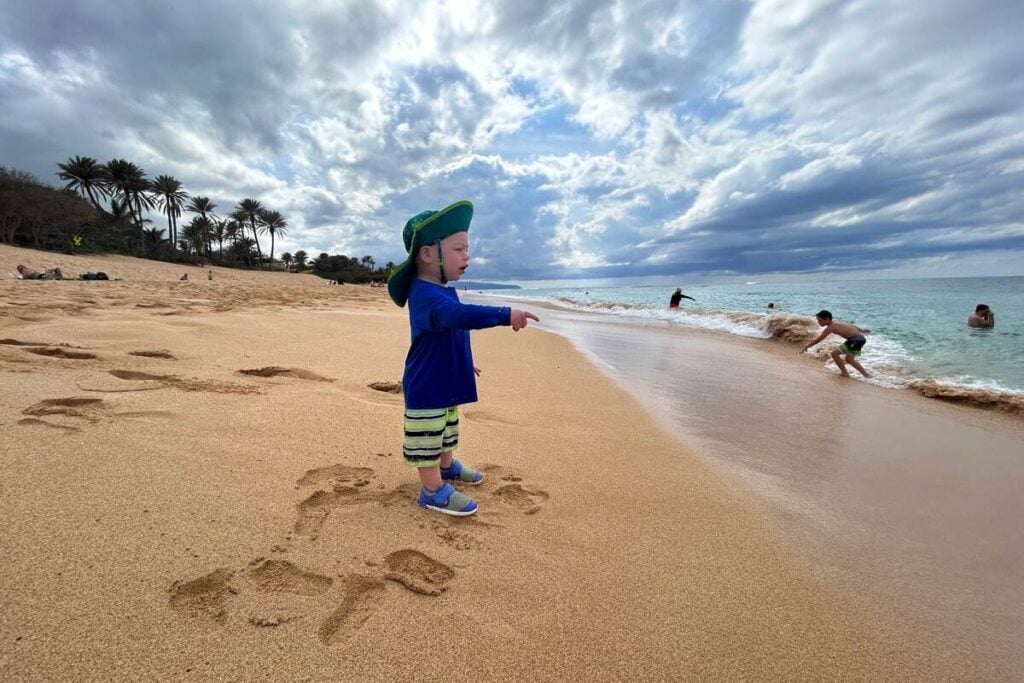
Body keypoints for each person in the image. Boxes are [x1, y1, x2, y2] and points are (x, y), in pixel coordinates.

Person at [387, 200, 539, 516]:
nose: (467, 256)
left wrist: (464, 363)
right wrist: (504, 314)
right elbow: (456, 317)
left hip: (444, 377)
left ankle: (447, 467)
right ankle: (432, 490)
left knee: (447, 429)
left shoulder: (442, 291)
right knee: (427, 437)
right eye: (458, 248)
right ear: (428, 254)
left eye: (466, 248)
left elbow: (448, 334)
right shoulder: (424, 294)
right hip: (427, 383)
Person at [799, 310, 872, 378]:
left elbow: (818, 339)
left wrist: (806, 347)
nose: (818, 322)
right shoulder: (836, 322)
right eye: (818, 320)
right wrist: (861, 330)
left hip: (855, 340)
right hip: (860, 339)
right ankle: (866, 375)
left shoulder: (831, 327)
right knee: (849, 359)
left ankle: (846, 373)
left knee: (835, 354)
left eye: (820, 320)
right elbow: (850, 325)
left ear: (827, 319)